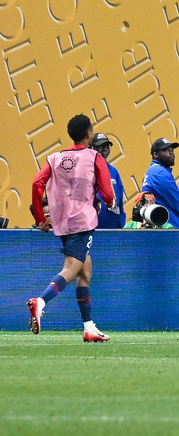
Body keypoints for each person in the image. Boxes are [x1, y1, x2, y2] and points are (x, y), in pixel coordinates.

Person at [26, 114, 115, 343]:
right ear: (89, 134)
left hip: (62, 221)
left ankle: (89, 327)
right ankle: (41, 302)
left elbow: (37, 183)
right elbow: (107, 193)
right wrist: (110, 202)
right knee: (71, 269)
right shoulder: (94, 157)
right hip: (82, 220)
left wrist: (40, 218)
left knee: (85, 272)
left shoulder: (54, 158)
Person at [142, 137, 179, 228]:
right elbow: (175, 199)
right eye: (165, 150)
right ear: (155, 154)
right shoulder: (160, 173)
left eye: (172, 150)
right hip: (168, 228)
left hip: (160, 225)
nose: (171, 152)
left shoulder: (153, 171)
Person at [90, 132, 126, 229]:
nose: (105, 149)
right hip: (93, 228)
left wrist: (121, 224)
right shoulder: (87, 170)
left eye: (107, 146)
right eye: (100, 146)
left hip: (113, 227)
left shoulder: (113, 171)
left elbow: (120, 199)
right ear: (91, 148)